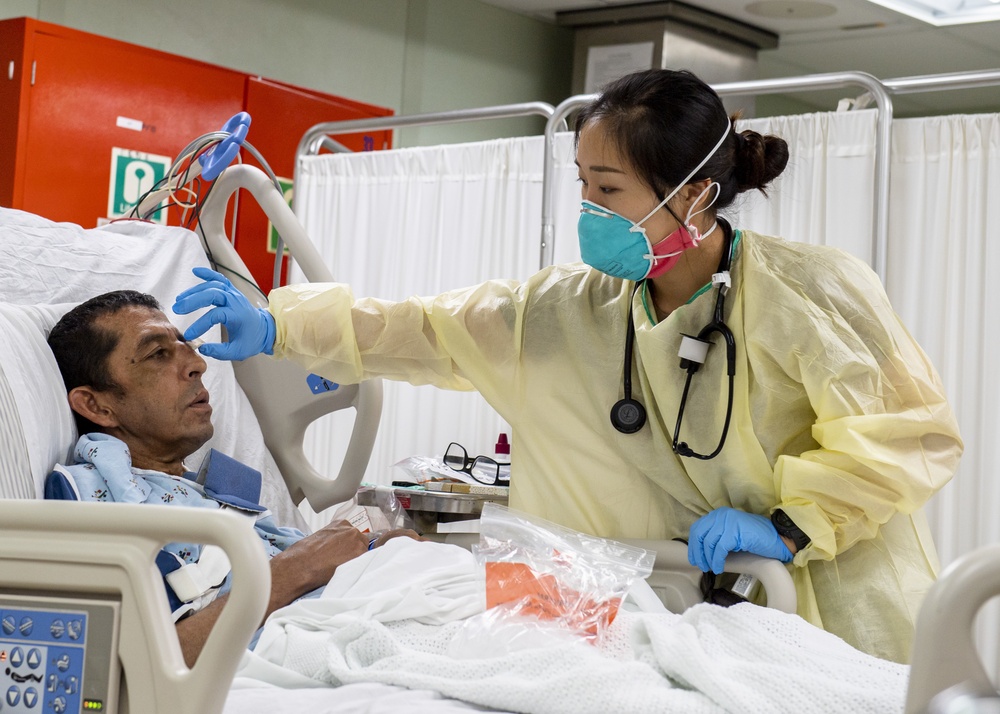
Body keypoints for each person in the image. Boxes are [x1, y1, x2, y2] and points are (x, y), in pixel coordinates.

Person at [173, 69, 963, 662]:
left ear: (693, 196)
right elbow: (424, 328)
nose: (587, 207)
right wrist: (278, 323)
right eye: (582, 182)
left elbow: (908, 436)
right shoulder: (568, 309)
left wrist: (790, 526)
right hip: (685, 616)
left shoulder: (810, 290)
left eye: (607, 188)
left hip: (832, 601)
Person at [44, 290, 418, 667]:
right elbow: (135, 669)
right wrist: (296, 569)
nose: (196, 364)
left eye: (187, 345)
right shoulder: (91, 502)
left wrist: (373, 554)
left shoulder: (212, 492)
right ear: (97, 406)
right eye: (158, 353)